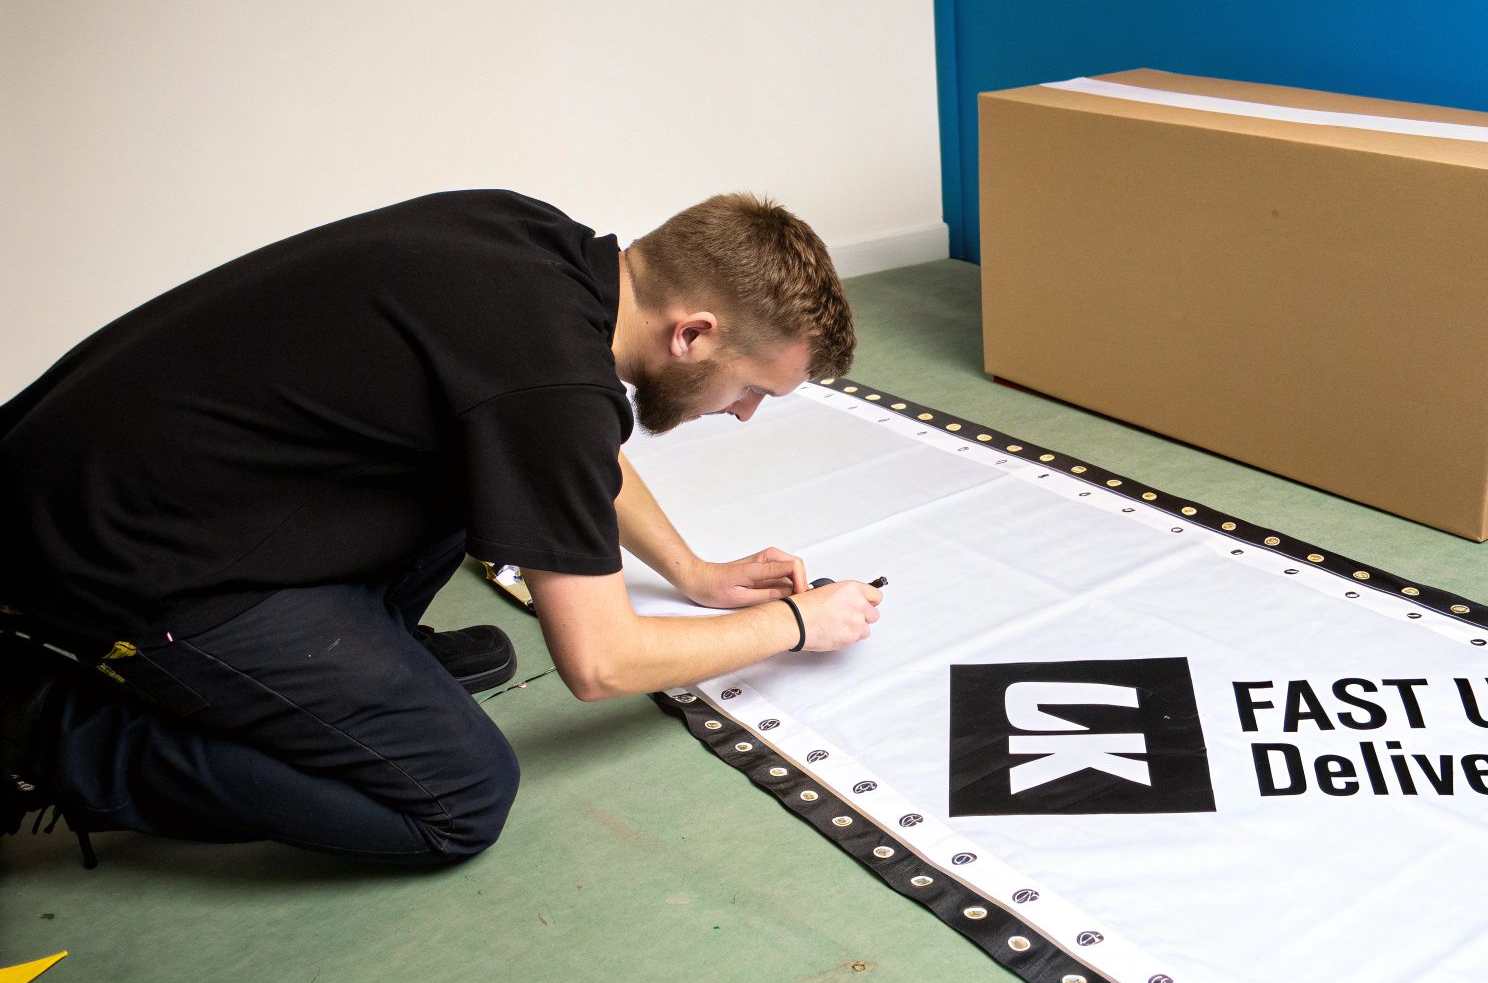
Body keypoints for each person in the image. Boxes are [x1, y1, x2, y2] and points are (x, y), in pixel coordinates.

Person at [0, 189, 884, 866]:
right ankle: (46, 732)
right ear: (692, 334)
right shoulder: (551, 388)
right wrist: (794, 625)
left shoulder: (534, 242)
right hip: (112, 560)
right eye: (753, 390)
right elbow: (600, 662)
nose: (742, 417)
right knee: (455, 800)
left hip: (119, 480)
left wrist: (693, 574)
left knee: (476, 464)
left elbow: (558, 451)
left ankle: (367, 653)